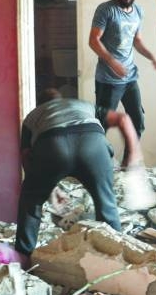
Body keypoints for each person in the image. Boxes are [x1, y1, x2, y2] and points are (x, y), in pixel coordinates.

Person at [15, 89, 142, 257]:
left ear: (41, 104)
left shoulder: (33, 115)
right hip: (93, 145)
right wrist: (134, 153)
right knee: (106, 204)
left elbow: (26, 155)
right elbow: (123, 118)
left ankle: (23, 256)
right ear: (64, 99)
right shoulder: (84, 105)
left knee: (30, 202)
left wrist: (46, 188)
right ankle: (116, 258)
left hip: (53, 145)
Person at [89, 0, 156, 148]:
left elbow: (136, 40)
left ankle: (128, 165)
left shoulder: (138, 12)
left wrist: (152, 56)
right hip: (108, 81)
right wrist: (113, 62)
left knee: (137, 122)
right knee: (101, 125)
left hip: (130, 78)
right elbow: (93, 41)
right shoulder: (106, 10)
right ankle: (100, 163)